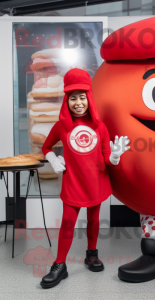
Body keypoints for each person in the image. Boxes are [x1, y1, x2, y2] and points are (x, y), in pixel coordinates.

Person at [40, 68, 130, 289]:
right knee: (68, 223)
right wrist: (53, 158)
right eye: (73, 98)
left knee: (94, 220)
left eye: (82, 97)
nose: (78, 103)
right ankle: (60, 265)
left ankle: (91, 254)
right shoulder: (62, 126)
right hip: (73, 184)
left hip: (96, 182)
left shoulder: (100, 127)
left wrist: (116, 156)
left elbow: (107, 158)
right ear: (66, 101)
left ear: (89, 98)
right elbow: (45, 146)